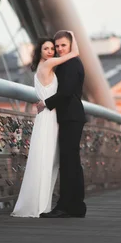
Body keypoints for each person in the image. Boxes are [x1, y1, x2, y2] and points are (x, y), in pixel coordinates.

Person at [11, 32, 80, 218]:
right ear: (40, 52)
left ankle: (41, 204)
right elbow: (75, 53)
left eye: (53, 48)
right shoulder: (48, 64)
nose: (51, 51)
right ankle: (41, 206)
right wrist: (72, 37)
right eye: (47, 48)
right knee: (47, 160)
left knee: (44, 159)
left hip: (47, 116)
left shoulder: (44, 66)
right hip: (50, 117)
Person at [38, 30, 87, 218]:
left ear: (70, 45)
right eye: (57, 46)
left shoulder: (71, 64)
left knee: (68, 163)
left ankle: (64, 206)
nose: (59, 49)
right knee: (72, 162)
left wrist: (46, 103)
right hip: (71, 117)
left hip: (71, 117)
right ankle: (76, 206)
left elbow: (66, 92)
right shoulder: (68, 63)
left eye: (63, 45)